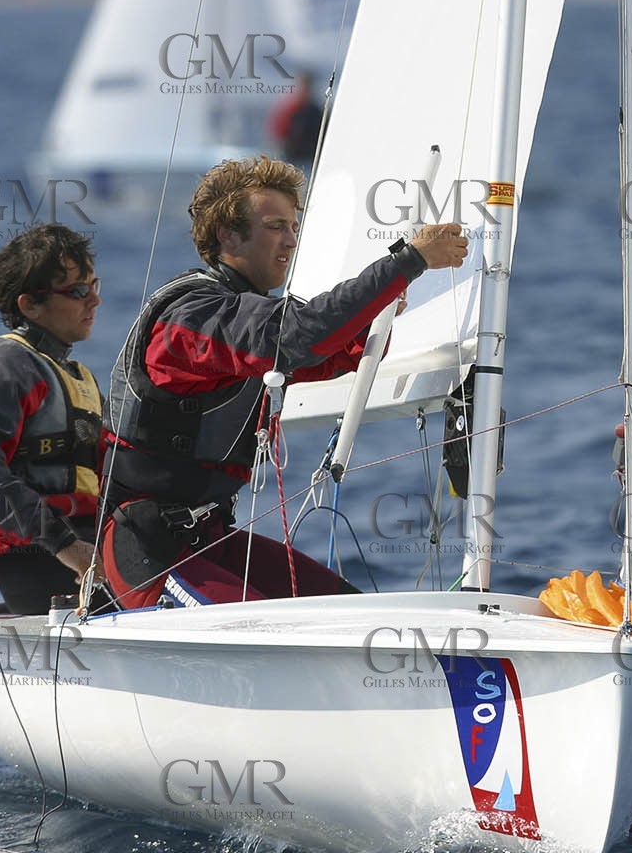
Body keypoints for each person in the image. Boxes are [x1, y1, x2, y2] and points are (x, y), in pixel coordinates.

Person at [100, 155, 468, 609]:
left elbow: (330, 359)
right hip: (149, 553)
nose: (291, 240)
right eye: (276, 226)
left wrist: (380, 306)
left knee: (353, 614)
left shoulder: (240, 318)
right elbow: (302, 336)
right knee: (258, 632)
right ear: (228, 234)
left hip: (211, 540)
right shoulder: (194, 316)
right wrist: (406, 262)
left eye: (295, 227)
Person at [0, 225, 104, 614]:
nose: (95, 300)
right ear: (29, 305)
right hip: (37, 553)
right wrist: (67, 547)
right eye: (79, 291)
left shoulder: (75, 375)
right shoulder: (8, 367)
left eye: (95, 285)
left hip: (86, 548)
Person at [265, 72, 323, 169]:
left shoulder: (316, 110)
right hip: (290, 156)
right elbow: (278, 130)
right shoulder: (290, 107)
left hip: (309, 158)